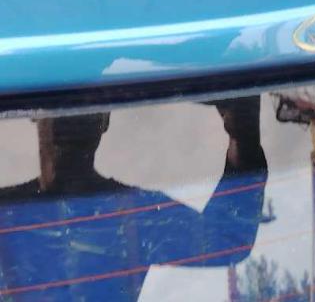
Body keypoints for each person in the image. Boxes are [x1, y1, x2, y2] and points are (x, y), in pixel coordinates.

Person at [0, 96, 267, 301]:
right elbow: (229, 240)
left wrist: (244, 137)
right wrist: (244, 139)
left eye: (85, 109)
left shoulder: (136, 215)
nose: (72, 121)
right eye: (61, 106)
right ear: (34, 115)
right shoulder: (136, 216)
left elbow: (227, 241)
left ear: (104, 121)